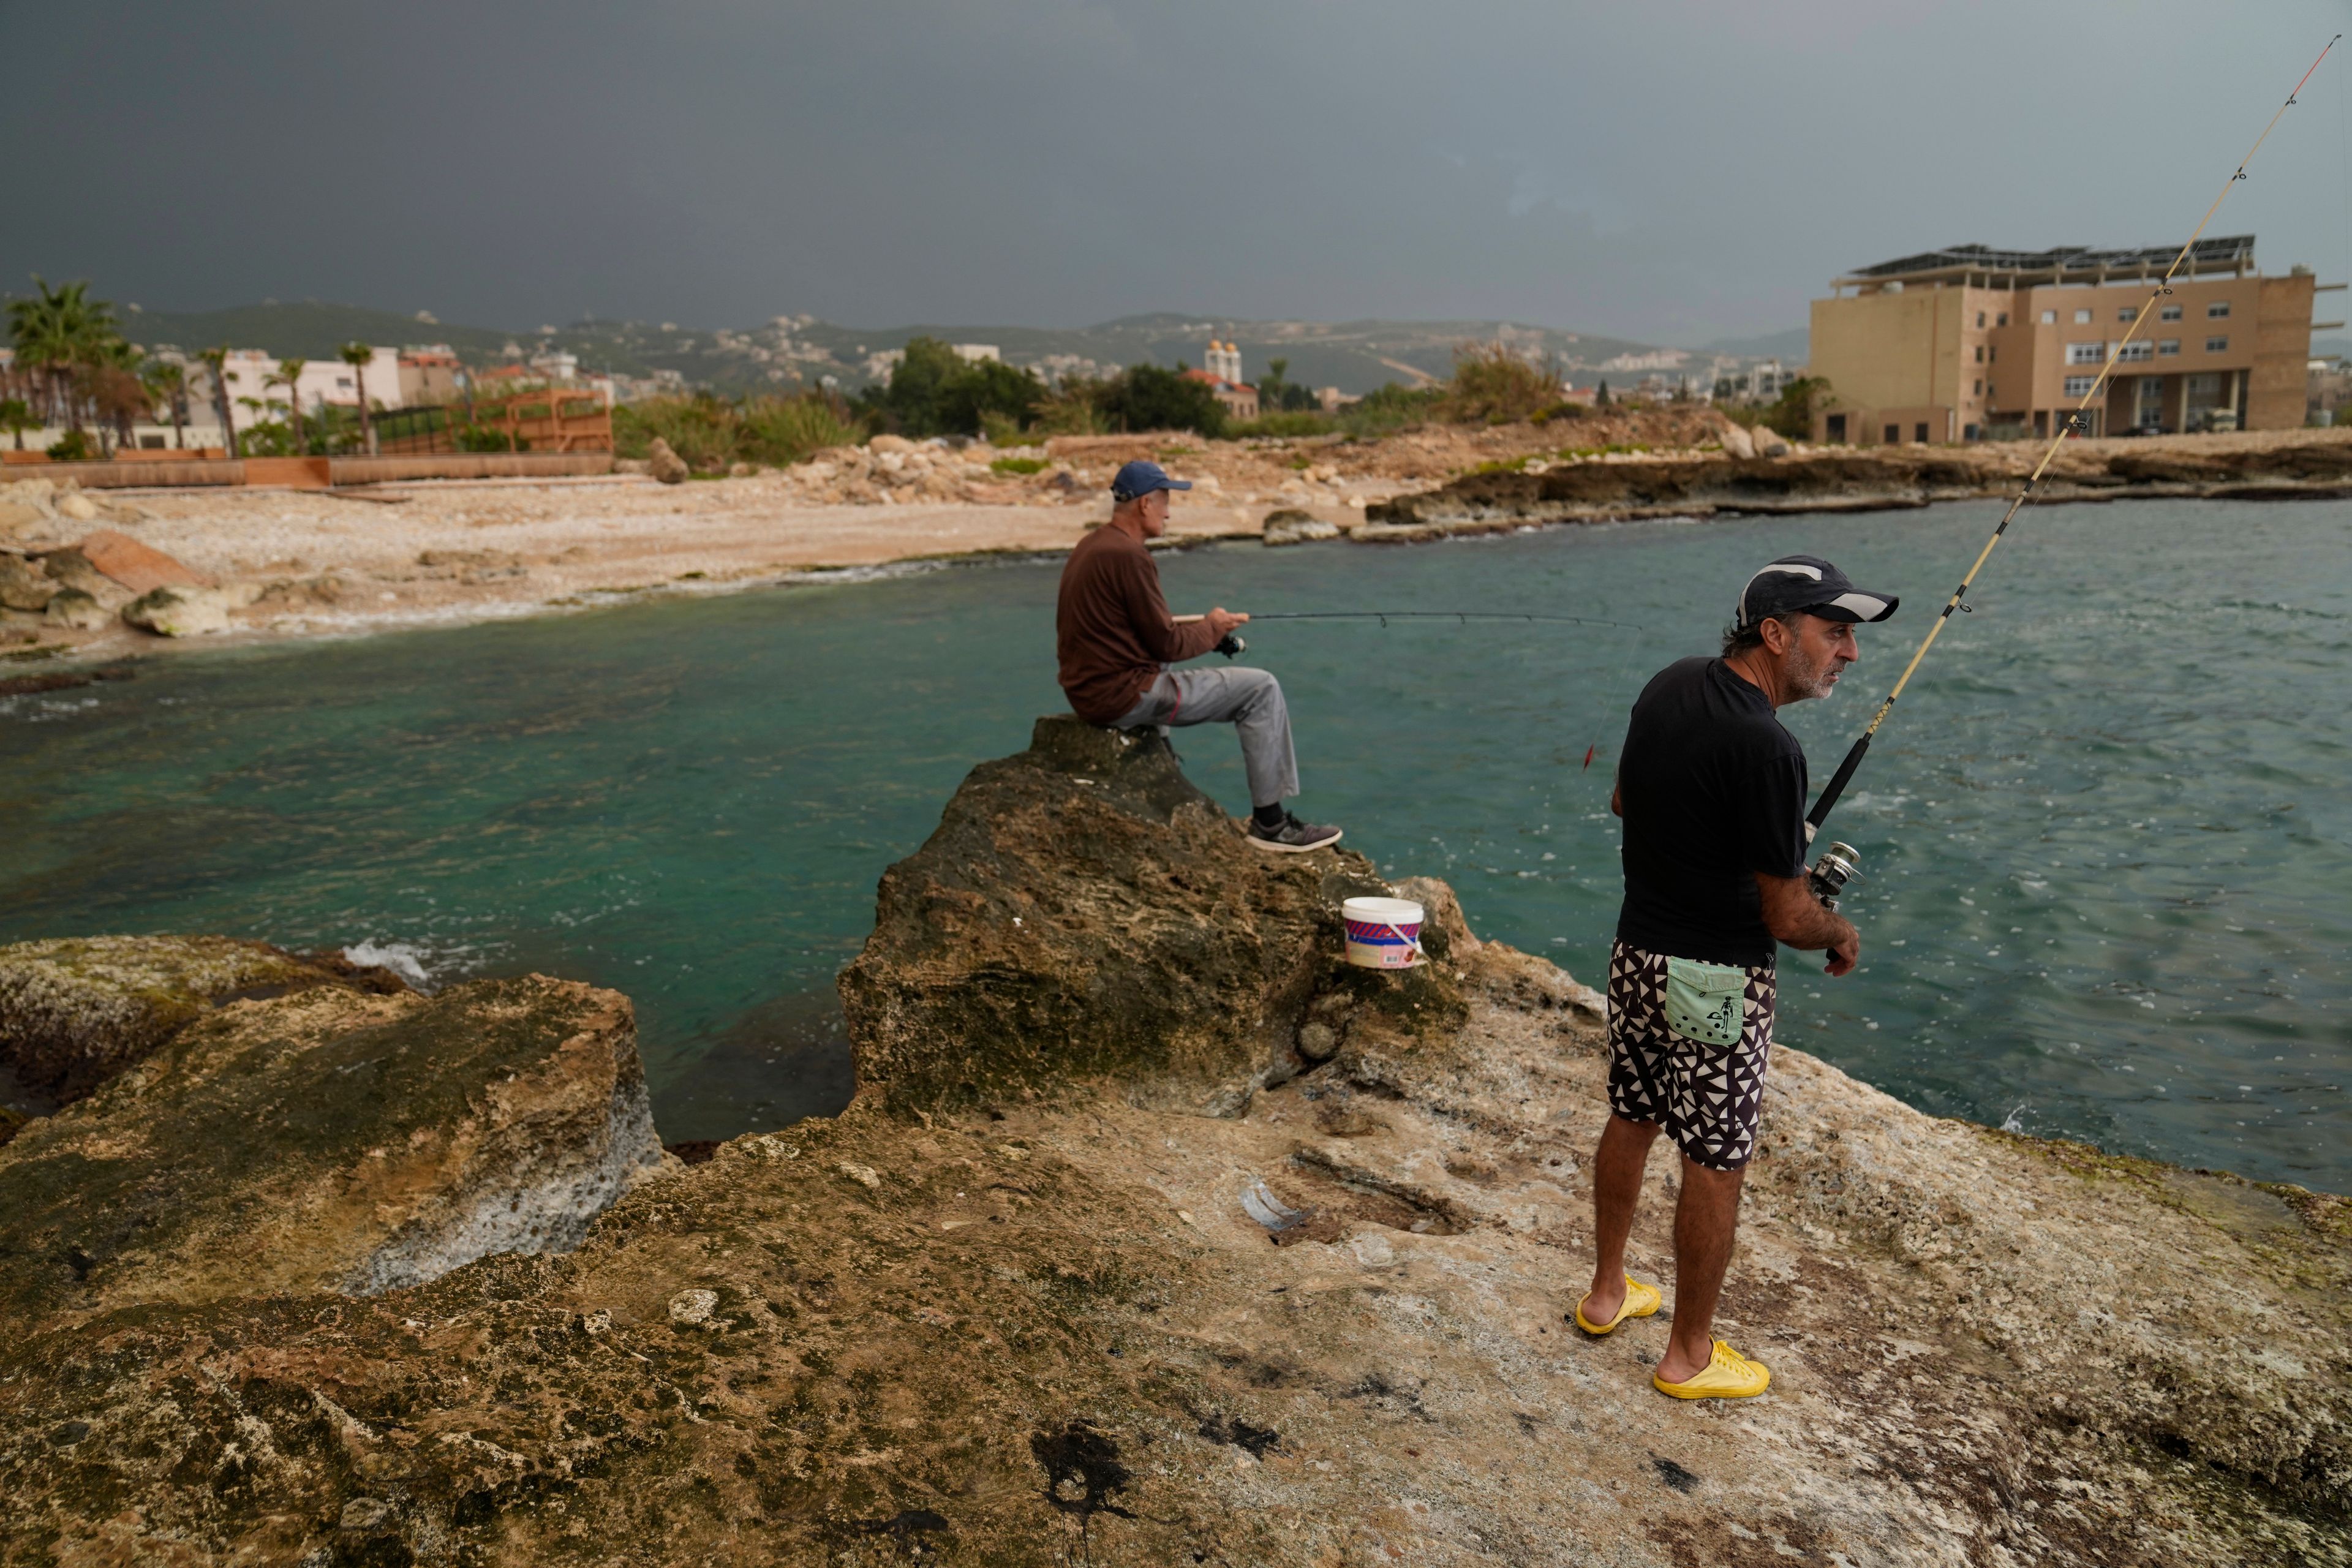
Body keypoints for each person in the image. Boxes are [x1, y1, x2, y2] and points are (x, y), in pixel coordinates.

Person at [1575, 553, 1897, 1400]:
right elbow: (1790, 921)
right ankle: (1688, 1356)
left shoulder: (1671, 683)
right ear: (1776, 632)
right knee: (1716, 1159)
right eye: (1836, 634)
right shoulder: (1769, 748)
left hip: (1635, 956)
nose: (1850, 655)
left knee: (1633, 1113)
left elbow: (1622, 803)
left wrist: (1736, 828)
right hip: (1716, 981)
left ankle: (1608, 1295)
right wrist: (1841, 930)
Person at [1055, 459, 1341, 853]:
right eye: (1165, 502)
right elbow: (1166, 645)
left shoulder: (1094, 545)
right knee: (1262, 688)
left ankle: (1163, 754)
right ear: (1145, 505)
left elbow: (1140, 628)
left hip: (1087, 690)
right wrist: (1215, 629)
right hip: (1121, 696)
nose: (1169, 512)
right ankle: (1272, 825)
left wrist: (1207, 628)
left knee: (1178, 651)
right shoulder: (1130, 557)